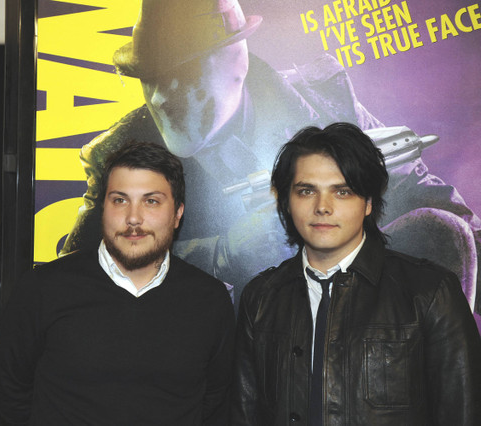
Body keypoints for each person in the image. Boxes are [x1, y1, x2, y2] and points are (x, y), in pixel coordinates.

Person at [60, 0, 481, 317]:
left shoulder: (324, 102)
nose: (161, 96)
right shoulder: (120, 154)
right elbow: (79, 282)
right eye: (149, 78)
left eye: (182, 73)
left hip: (348, 339)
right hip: (226, 353)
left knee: (438, 232)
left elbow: (441, 209)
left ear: (234, 60)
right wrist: (224, 254)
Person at [231, 123, 481, 425]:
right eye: (307, 191)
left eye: (343, 191)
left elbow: (462, 414)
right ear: (286, 202)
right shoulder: (260, 298)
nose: (323, 207)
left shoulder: (431, 293)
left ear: (369, 203)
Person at [0, 142, 235, 425]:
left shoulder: (209, 300)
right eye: (120, 200)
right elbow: (8, 391)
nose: (133, 218)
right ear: (102, 208)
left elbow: (215, 402)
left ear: (178, 213)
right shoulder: (43, 289)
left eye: (151, 201)